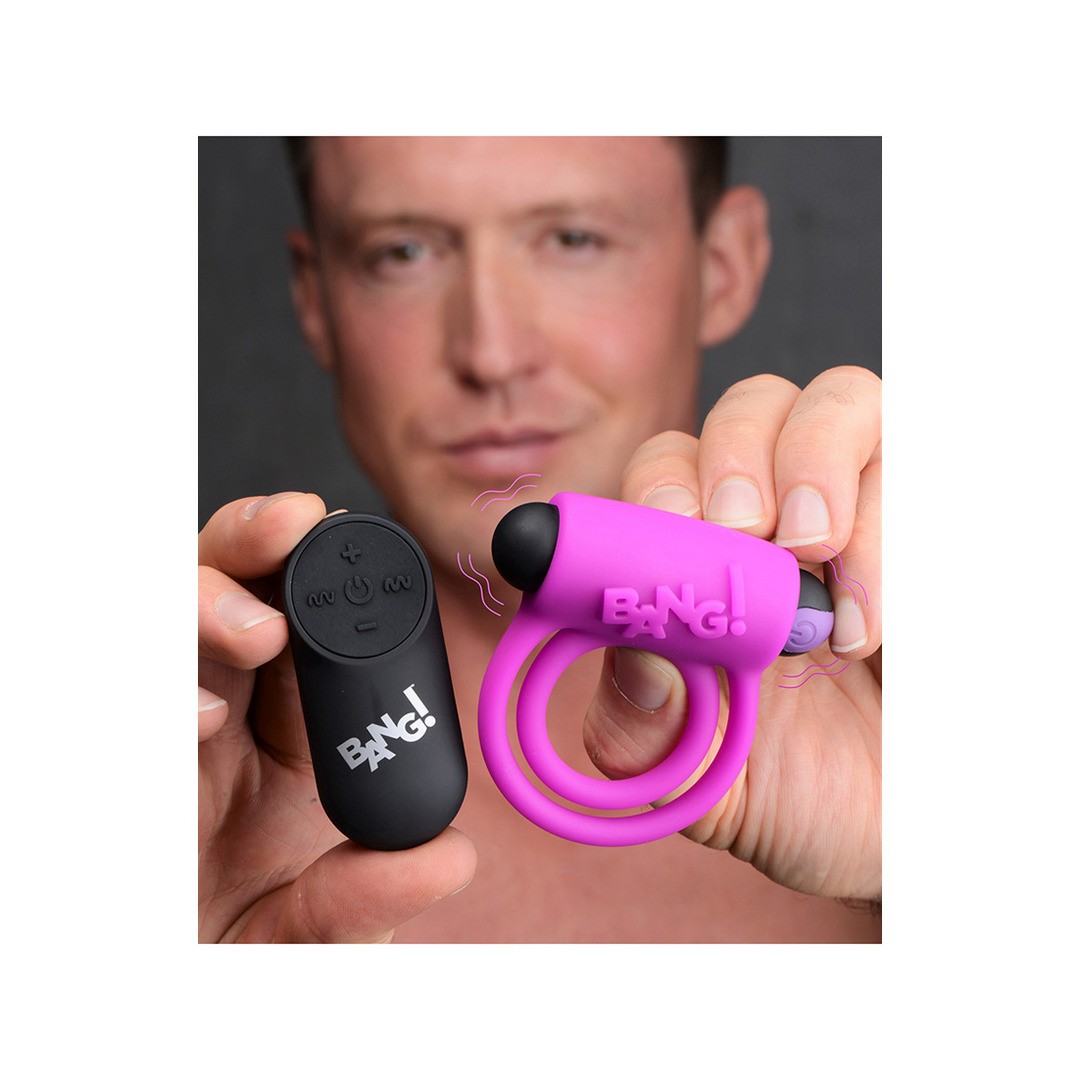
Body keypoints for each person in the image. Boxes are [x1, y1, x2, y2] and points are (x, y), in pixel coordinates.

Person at [198, 137, 881, 943]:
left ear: (723, 264)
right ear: (315, 299)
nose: (492, 354)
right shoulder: (216, 810)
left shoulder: (875, 721)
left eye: (573, 239)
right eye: (403, 252)